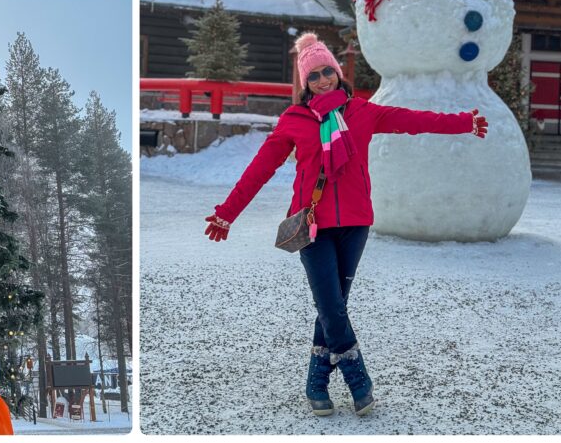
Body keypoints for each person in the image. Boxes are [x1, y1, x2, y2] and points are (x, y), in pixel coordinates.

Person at [204, 33, 487, 417]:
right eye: (315, 76)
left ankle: (316, 383)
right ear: (305, 83)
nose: (323, 80)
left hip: (355, 224)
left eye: (328, 72)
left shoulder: (363, 112)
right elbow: (260, 169)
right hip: (312, 226)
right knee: (331, 305)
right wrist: (227, 212)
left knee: (332, 305)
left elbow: (414, 121)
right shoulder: (294, 120)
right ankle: (358, 379)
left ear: (338, 72)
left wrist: (463, 124)